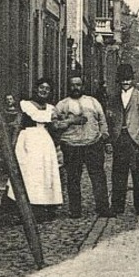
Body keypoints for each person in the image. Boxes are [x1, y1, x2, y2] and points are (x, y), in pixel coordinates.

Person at [2, 78, 78, 221]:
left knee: (44, 174)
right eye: (41, 88)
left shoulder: (51, 108)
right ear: (36, 89)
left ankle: (42, 208)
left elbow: (56, 126)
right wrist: (12, 147)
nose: (44, 91)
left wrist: (70, 121)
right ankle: (22, 207)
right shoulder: (26, 105)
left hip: (44, 142)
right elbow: (18, 125)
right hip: (27, 142)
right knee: (27, 173)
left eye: (47, 89)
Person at [55, 75, 111, 217]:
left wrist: (104, 137)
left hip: (92, 144)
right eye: (72, 85)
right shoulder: (62, 105)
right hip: (71, 146)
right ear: (69, 87)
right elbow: (55, 125)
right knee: (73, 179)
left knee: (98, 177)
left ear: (83, 86)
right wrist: (69, 121)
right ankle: (75, 210)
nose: (75, 88)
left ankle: (103, 207)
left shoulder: (92, 102)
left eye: (78, 85)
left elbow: (102, 120)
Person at [107, 64, 139, 217]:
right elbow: (110, 120)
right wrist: (109, 139)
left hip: (135, 140)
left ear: (132, 80)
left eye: (128, 79)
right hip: (119, 140)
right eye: (123, 80)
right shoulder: (114, 97)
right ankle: (117, 206)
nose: (126, 82)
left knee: (137, 174)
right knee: (118, 174)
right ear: (119, 81)